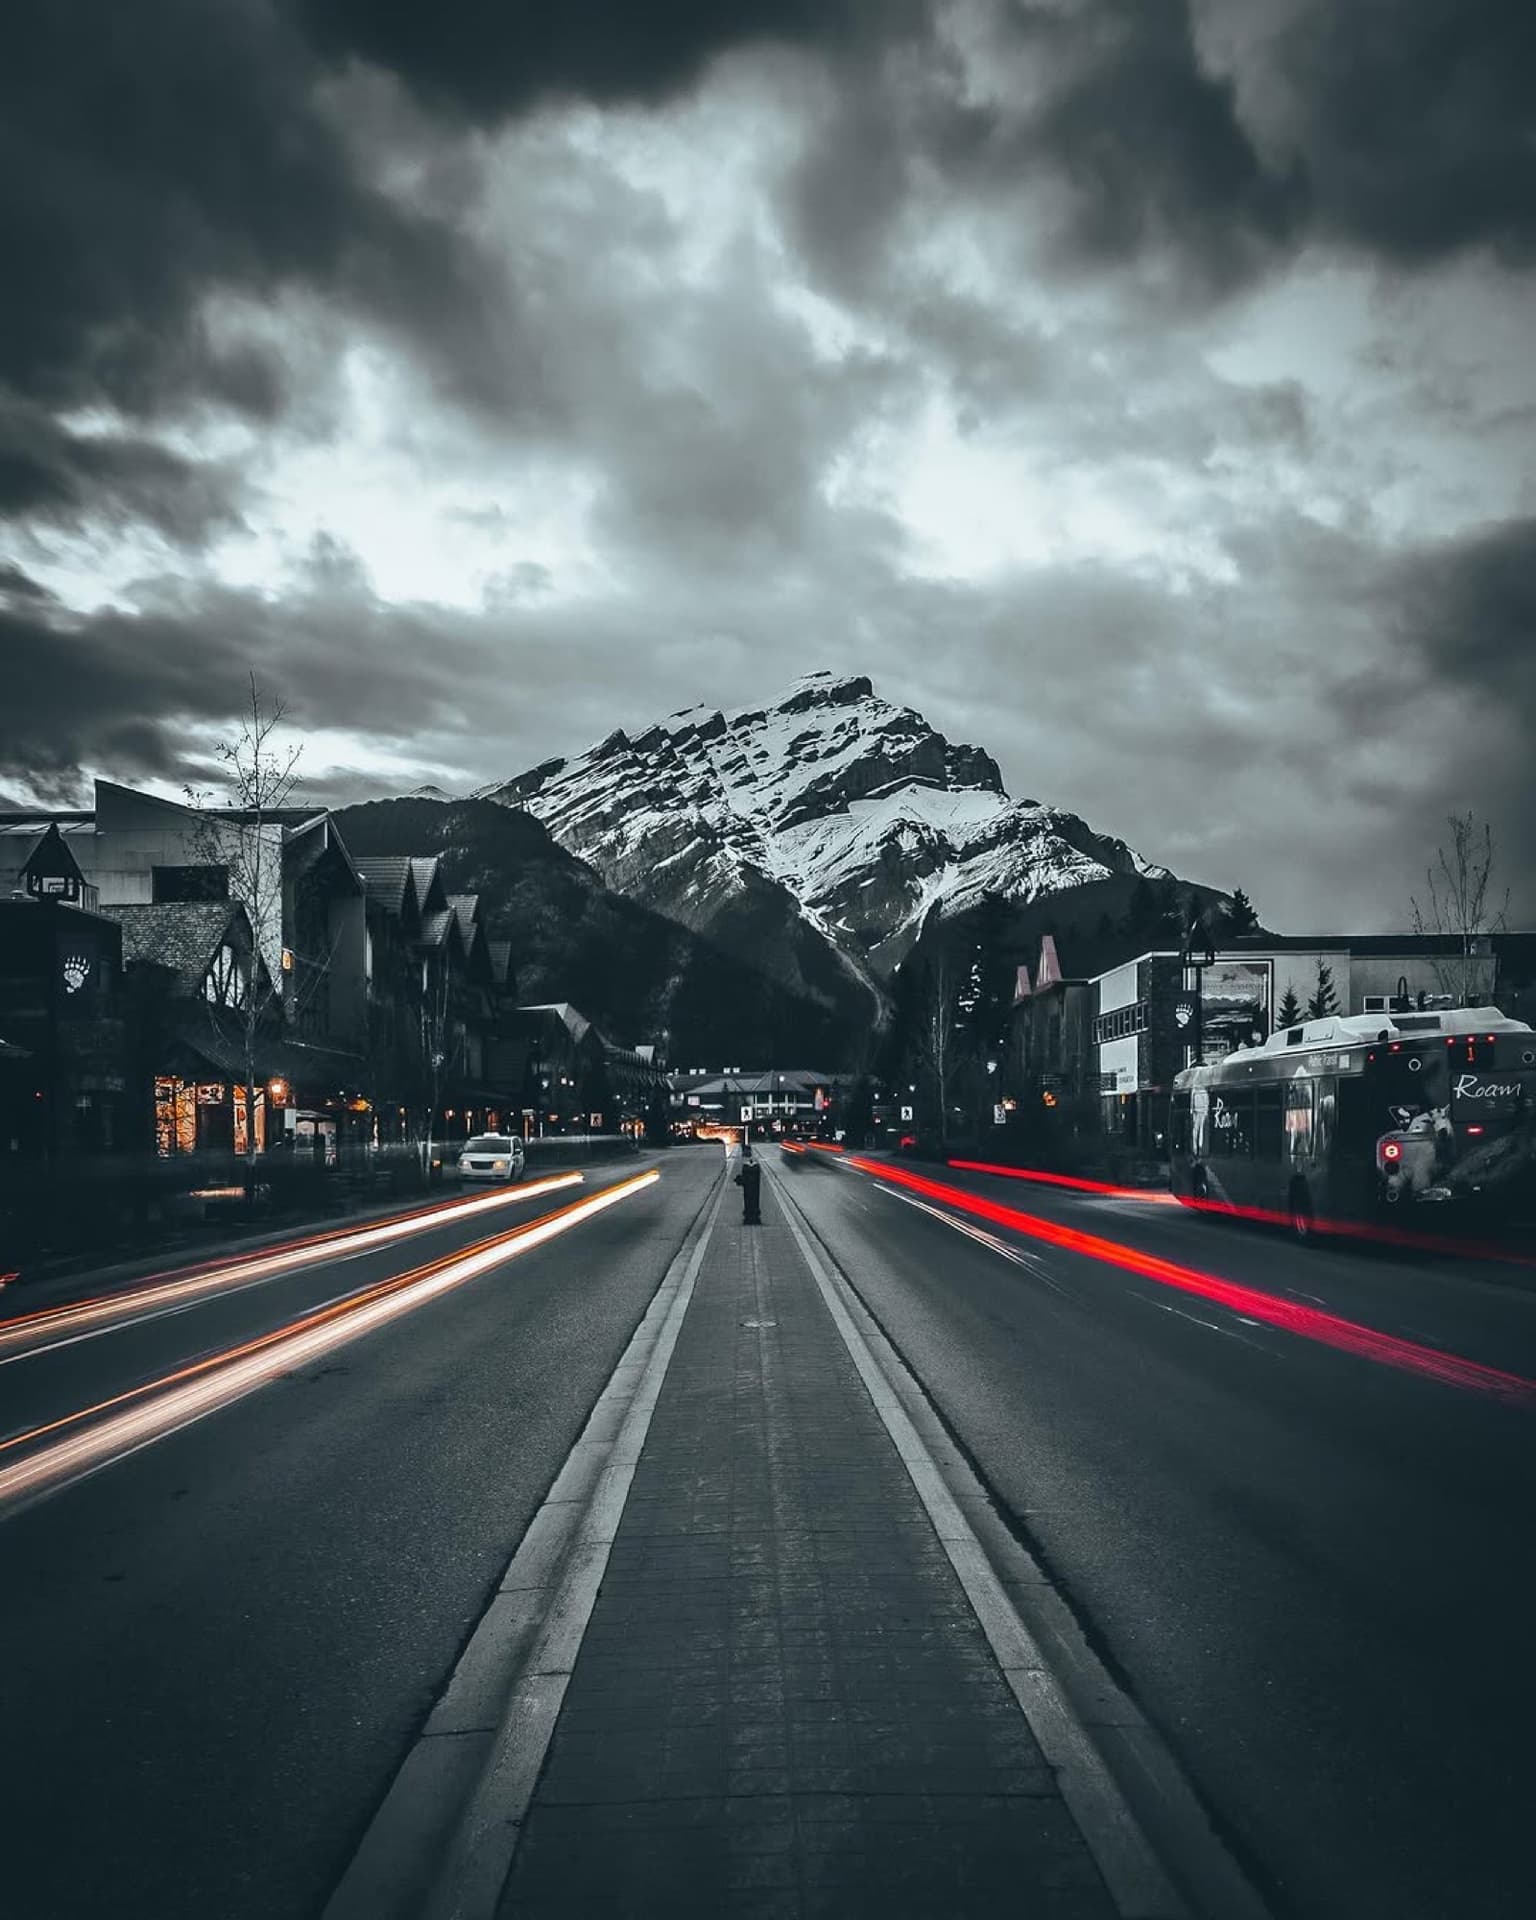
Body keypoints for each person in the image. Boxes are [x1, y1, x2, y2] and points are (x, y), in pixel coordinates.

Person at [734, 1141, 763, 1225]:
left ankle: (749, 1215)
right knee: (754, 1195)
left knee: (749, 1196)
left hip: (748, 1177)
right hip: (752, 1177)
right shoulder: (753, 1165)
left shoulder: (747, 1166)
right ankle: (754, 1215)